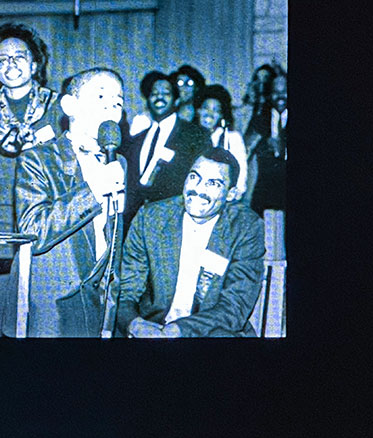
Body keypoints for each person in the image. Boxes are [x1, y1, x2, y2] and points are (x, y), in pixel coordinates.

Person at [2, 68, 126, 337]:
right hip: (47, 310)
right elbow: (32, 234)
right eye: (101, 96)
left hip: (100, 308)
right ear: (70, 105)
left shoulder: (118, 162)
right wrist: (93, 190)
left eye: (118, 102)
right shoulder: (37, 159)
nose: (110, 108)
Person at [0, 22, 60, 336]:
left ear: (34, 64)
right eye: (3, 59)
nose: (11, 64)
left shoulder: (60, 111)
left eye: (19, 56)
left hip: (51, 234)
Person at [117, 148, 264, 337]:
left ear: (231, 194)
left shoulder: (245, 227)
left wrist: (179, 330)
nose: (198, 189)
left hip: (211, 332)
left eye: (213, 184)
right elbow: (126, 291)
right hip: (152, 328)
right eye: (194, 177)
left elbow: (234, 307)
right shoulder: (152, 218)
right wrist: (135, 325)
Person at [122, 71, 211, 226]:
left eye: (166, 93)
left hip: (176, 223)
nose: (159, 97)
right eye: (154, 93)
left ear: (176, 100)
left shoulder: (195, 135)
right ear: (148, 101)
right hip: (137, 225)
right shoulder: (137, 140)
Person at [194, 84, 248, 198]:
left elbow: (241, 173)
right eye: (206, 108)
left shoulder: (232, 138)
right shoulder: (189, 136)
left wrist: (234, 196)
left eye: (216, 110)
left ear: (222, 115)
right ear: (198, 110)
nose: (209, 113)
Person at [249, 73, 286, 217]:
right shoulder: (260, 120)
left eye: (284, 92)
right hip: (264, 193)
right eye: (276, 92)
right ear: (270, 95)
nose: (280, 96)